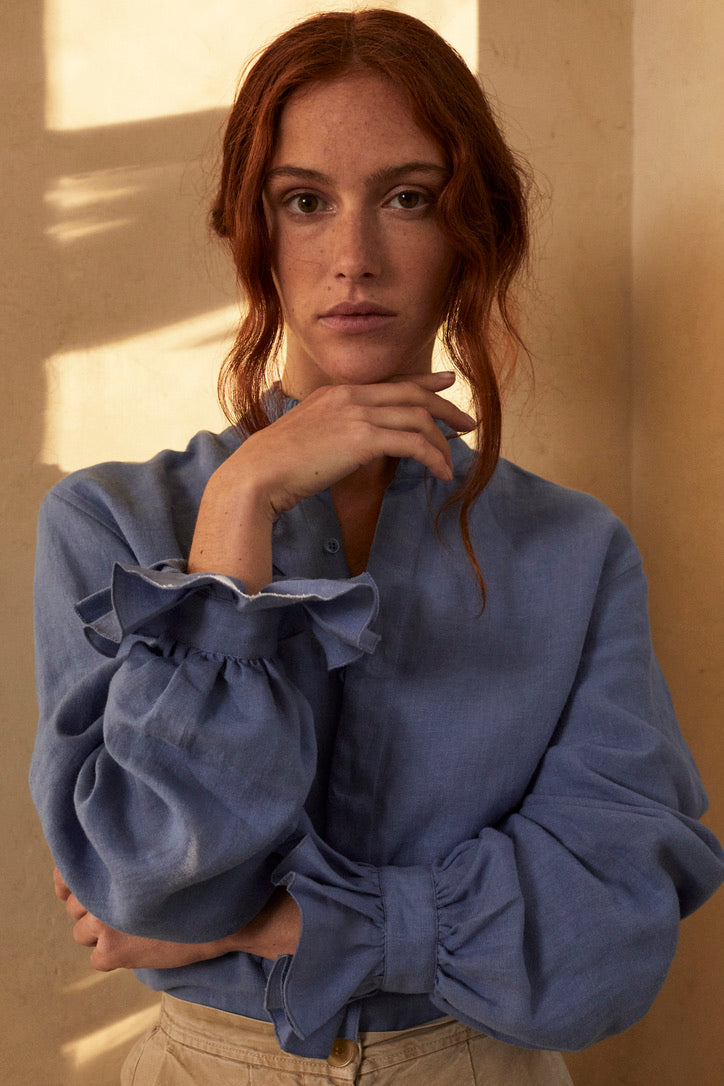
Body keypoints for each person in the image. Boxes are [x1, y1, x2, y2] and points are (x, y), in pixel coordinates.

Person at [30, 9, 723, 1085]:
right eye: (304, 202)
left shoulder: (576, 553)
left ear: (471, 230)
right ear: (253, 231)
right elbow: (140, 880)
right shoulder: (109, 524)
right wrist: (241, 505)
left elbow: (608, 937)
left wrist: (272, 923)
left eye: (408, 198)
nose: (352, 257)